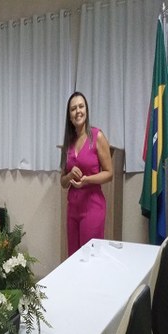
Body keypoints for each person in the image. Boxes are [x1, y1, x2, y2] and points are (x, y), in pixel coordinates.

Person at [60, 92, 113, 256]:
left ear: (87, 110)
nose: (78, 111)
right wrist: (69, 177)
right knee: (73, 258)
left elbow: (109, 173)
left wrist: (86, 180)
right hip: (73, 209)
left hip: (92, 207)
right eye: (73, 109)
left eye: (81, 106)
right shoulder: (68, 142)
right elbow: (62, 182)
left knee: (90, 258)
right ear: (69, 116)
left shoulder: (97, 136)